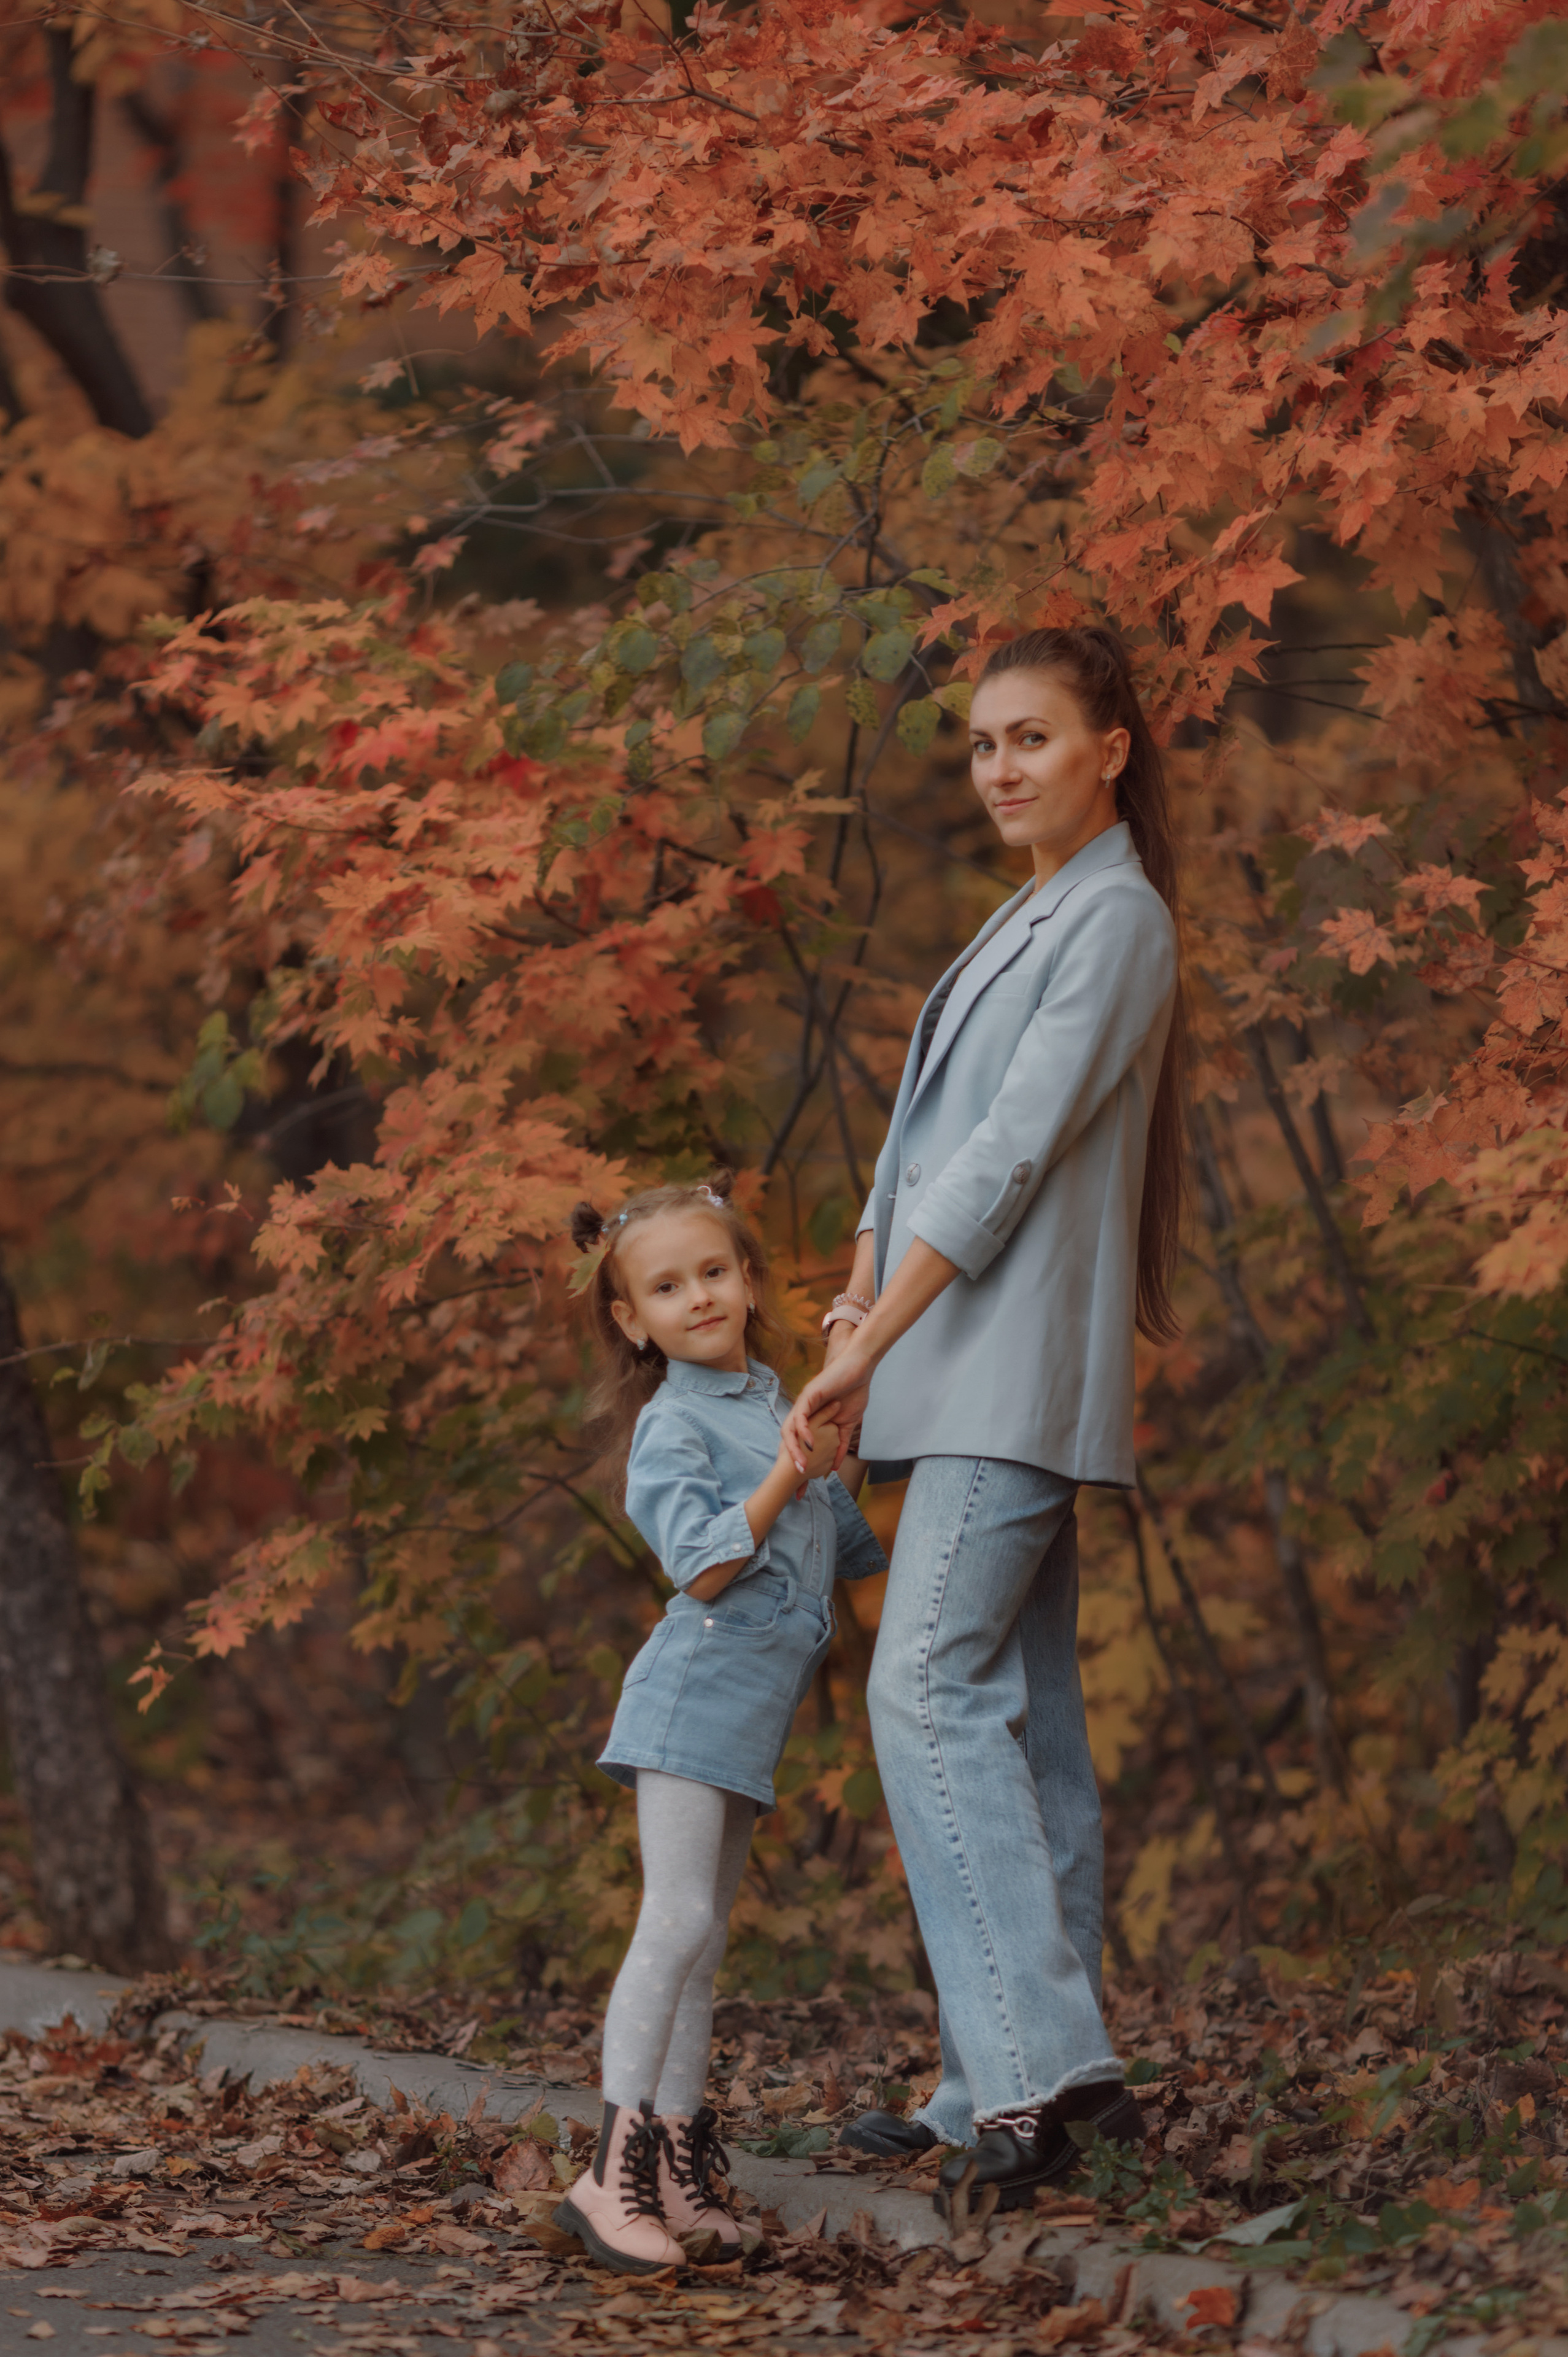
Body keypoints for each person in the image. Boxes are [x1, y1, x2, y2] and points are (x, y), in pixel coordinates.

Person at [782, 625, 1186, 2220]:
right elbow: (915, 1154)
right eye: (982, 744)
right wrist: (859, 1318)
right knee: (1017, 1708)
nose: (1002, 767)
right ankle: (1002, 2075)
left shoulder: (1118, 921)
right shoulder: (1033, 914)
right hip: (949, 1370)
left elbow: (1007, 1159)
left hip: (1011, 1378)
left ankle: (1032, 2068)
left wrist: (874, 1336)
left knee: (924, 1686)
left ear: (1113, 750)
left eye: (1033, 738)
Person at [555, 1172, 887, 2274]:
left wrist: (838, 1443)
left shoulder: (765, 1399)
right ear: (631, 1319)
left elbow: (842, 1533)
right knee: (678, 1920)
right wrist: (791, 1474)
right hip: (693, 1693)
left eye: (713, 1271)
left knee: (705, 1944)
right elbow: (702, 1566)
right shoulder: (674, 1426)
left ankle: (683, 2169)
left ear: (747, 1279)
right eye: (666, 1285)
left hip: (750, 1717)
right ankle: (613, 2174)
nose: (697, 1296)